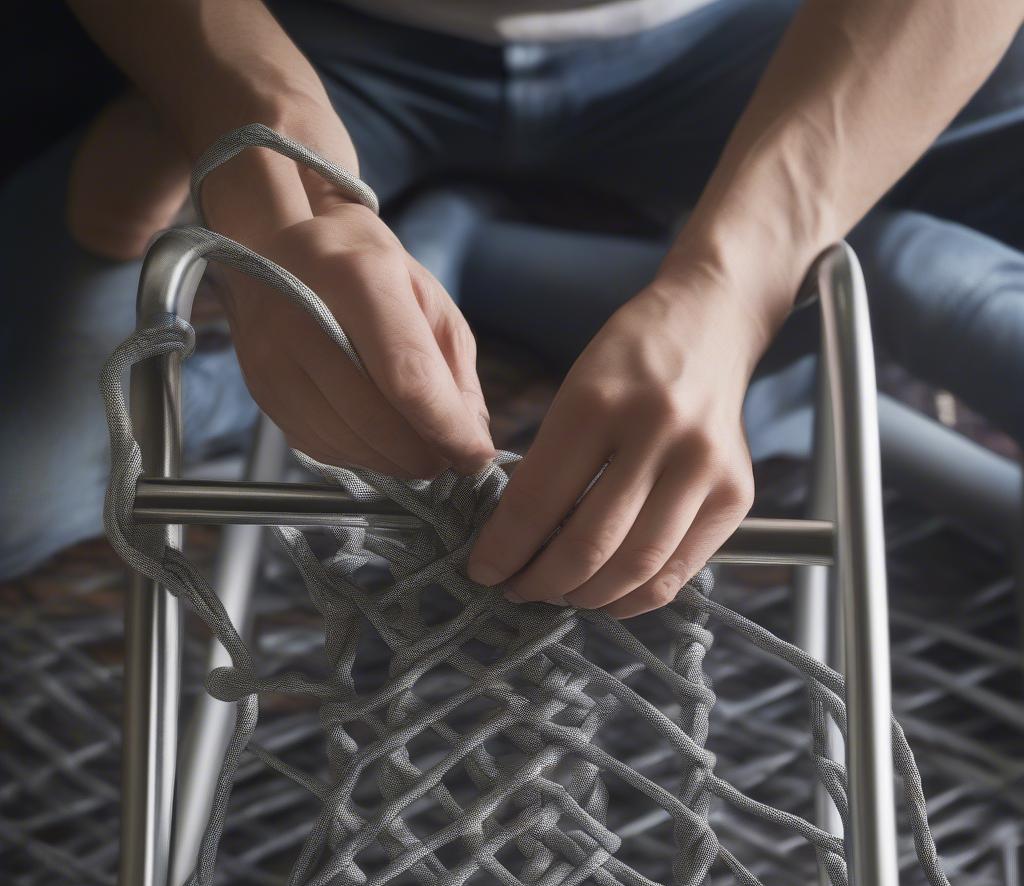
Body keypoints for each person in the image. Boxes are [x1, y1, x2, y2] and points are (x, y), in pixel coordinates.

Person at [2, 1, 1023, 617]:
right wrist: (260, 149)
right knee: (17, 497)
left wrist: (736, 280)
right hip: (311, 44)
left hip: (757, 44)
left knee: (953, 284)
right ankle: (422, 264)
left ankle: (466, 253)